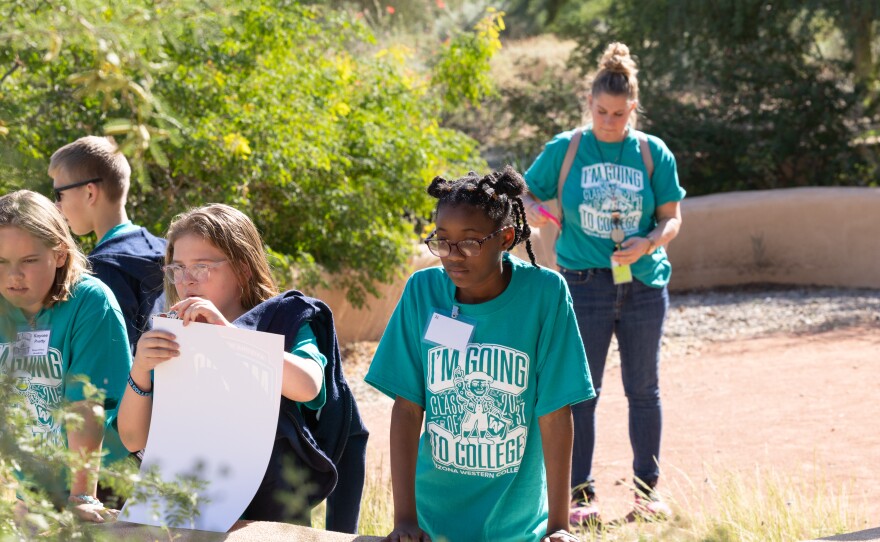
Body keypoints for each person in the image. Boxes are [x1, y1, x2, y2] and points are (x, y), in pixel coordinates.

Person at [365, 166, 594, 542]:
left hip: (517, 527)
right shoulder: (422, 292)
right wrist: (405, 519)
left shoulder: (545, 294)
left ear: (505, 237)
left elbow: (555, 413)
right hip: (431, 522)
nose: (453, 256)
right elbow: (407, 409)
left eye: (470, 242)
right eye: (442, 241)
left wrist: (559, 527)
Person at [115, 204, 367, 532]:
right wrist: (140, 373)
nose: (186, 281)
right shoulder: (172, 335)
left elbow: (308, 385)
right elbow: (134, 438)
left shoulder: (285, 319)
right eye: (177, 269)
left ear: (243, 269)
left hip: (269, 524)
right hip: (189, 521)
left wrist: (228, 336)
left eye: (202, 267)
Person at [523, 42, 686, 523]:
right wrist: (541, 212)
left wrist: (649, 243)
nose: (610, 122)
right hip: (583, 285)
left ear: (633, 109)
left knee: (644, 390)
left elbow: (672, 218)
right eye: (601, 112)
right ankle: (578, 497)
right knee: (581, 391)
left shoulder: (652, 152)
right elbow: (528, 193)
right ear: (589, 105)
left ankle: (646, 492)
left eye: (619, 113)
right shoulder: (567, 148)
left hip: (642, 286)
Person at [0, 190, 132, 522]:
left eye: (29, 261)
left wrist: (81, 495)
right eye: (0, 262)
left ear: (59, 254)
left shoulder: (89, 301)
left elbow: (86, 404)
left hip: (102, 480)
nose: (13, 276)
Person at [49, 136, 166, 352]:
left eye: (60, 194)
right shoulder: (169, 251)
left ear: (90, 193)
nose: (56, 206)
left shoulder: (102, 269)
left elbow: (111, 362)